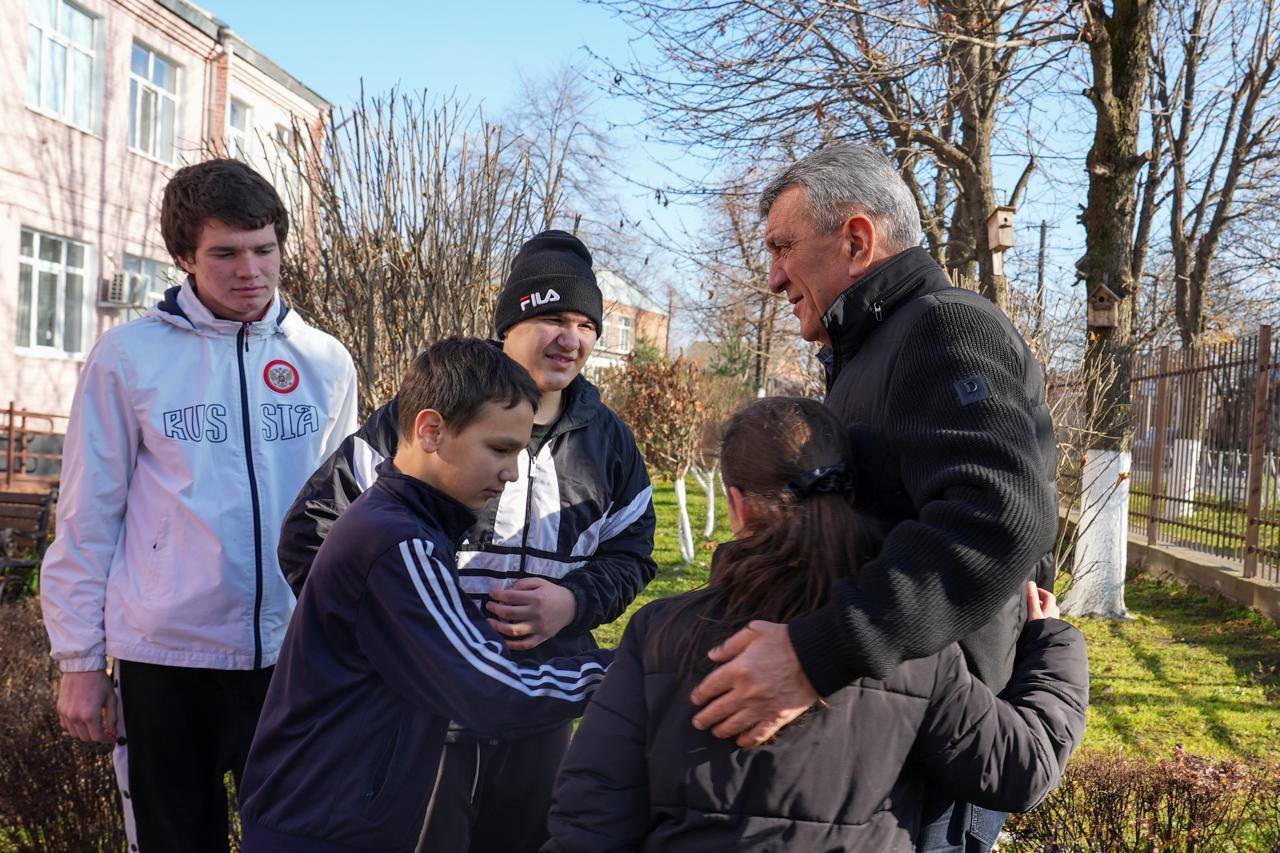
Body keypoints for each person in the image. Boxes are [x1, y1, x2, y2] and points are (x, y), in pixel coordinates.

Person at [688, 144, 1060, 850]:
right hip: (894, 735)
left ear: (857, 240)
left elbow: (1000, 516)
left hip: (937, 755)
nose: (771, 278)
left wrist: (817, 651)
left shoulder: (942, 326)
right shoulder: (876, 347)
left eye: (781, 247)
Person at [544, 397, 1088, 852]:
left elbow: (590, 817)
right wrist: (1053, 642)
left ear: (738, 506)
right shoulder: (909, 646)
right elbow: (1024, 769)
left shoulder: (661, 633)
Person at [277, 230, 657, 852]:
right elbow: (313, 532)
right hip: (422, 719)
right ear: (511, 322)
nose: (573, 338)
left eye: (587, 323)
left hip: (541, 706)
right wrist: (406, 634)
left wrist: (572, 604)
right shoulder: (434, 414)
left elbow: (633, 553)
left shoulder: (609, 439)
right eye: (553, 317)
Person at [39, 159, 358, 852]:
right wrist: (79, 660)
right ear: (184, 256)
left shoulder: (324, 361)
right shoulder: (128, 357)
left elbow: (346, 515)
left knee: (300, 839)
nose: (251, 270)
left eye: (264, 249)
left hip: (290, 656)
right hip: (164, 659)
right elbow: (87, 516)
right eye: (226, 253)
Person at [238, 338, 613, 852]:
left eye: (520, 453)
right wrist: (625, 667)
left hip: (332, 817)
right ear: (431, 430)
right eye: (500, 449)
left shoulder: (403, 526)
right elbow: (489, 688)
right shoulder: (397, 544)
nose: (511, 472)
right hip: (326, 827)